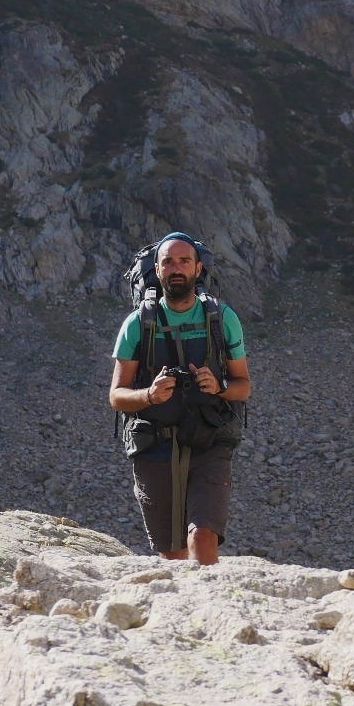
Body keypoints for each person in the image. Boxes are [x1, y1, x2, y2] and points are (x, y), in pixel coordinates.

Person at [109, 232, 252, 564]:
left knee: (203, 537)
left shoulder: (221, 318)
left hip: (211, 441)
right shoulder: (138, 324)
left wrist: (218, 387)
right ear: (157, 271)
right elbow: (117, 396)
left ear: (198, 269)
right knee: (172, 554)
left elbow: (243, 386)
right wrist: (149, 394)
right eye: (168, 262)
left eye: (184, 261)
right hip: (154, 446)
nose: (176, 268)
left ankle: (212, 613)